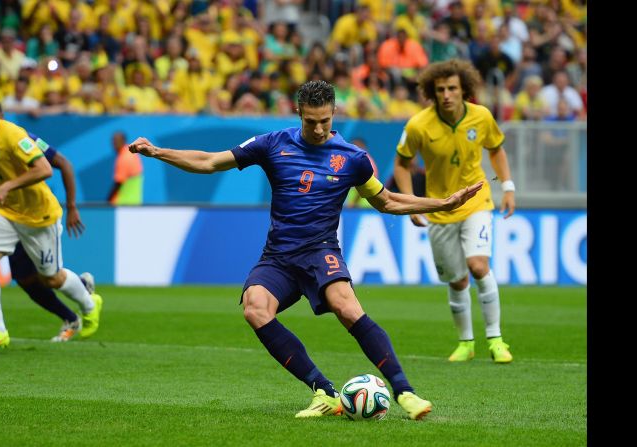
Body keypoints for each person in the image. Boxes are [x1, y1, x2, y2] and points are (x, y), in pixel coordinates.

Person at [128, 80, 484, 420]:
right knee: (255, 308)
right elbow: (209, 162)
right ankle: (324, 391)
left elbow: (387, 201)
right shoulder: (272, 144)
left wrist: (442, 204)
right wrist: (158, 152)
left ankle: (405, 392)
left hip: (320, 252)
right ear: (299, 113)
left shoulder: (352, 158)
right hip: (279, 257)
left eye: (325, 121)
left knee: (346, 306)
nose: (318, 129)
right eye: (311, 122)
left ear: (334, 114)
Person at [0, 86, 103, 352]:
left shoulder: (14, 134)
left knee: (51, 279)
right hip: (7, 213)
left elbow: (47, 168)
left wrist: (7, 186)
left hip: (39, 215)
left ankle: (90, 304)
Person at [393, 59, 515, 364]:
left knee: (477, 265)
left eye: (452, 88)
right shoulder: (418, 125)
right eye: (440, 89)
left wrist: (509, 186)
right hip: (440, 208)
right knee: (458, 280)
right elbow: (401, 164)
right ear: (432, 93)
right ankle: (466, 343)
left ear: (465, 90)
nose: (446, 94)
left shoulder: (482, 117)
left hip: (476, 202)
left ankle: (496, 339)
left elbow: (496, 149)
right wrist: (410, 201)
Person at [107, 131, 143, 205]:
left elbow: (118, 183)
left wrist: (108, 201)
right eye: (113, 141)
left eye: (116, 141)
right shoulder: (132, 154)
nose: (114, 143)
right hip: (134, 202)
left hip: (124, 204)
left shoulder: (124, 157)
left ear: (123, 141)